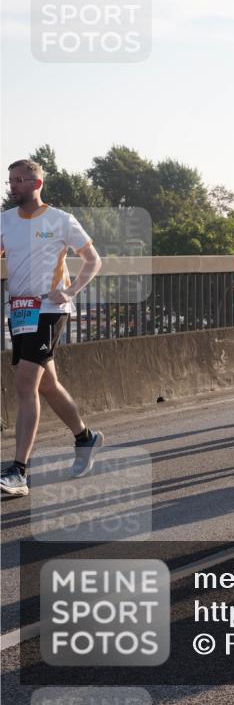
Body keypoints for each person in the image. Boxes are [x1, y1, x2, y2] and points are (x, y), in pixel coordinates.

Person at [0, 159, 105, 496]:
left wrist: (71, 290)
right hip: (20, 310)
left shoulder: (61, 220)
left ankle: (18, 471)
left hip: (49, 307)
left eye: (19, 180)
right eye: (10, 180)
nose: (13, 185)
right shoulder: (4, 221)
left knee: (25, 381)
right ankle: (85, 438)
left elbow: (93, 260)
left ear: (37, 183)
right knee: (47, 384)